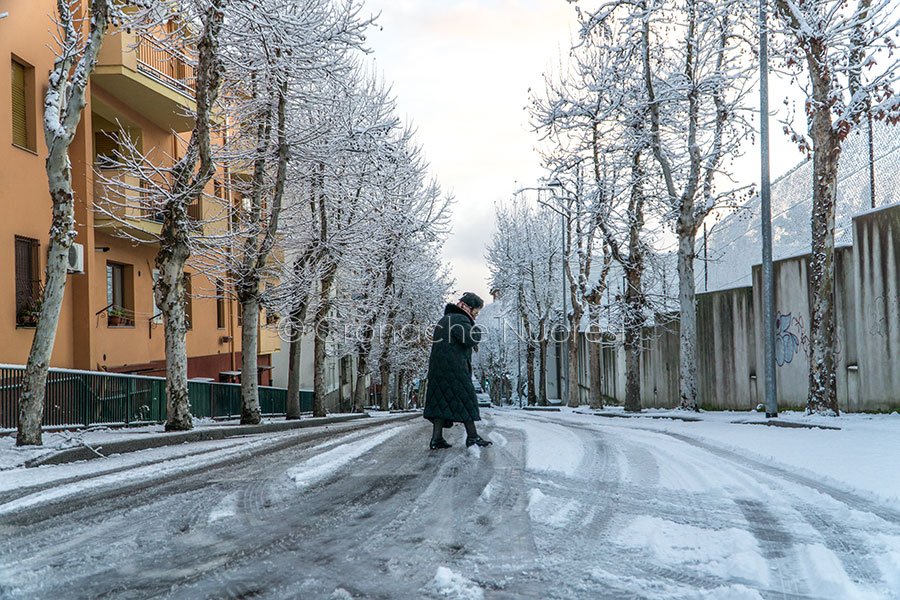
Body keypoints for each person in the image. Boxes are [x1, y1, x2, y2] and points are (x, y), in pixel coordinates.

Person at [423, 292, 493, 450]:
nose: (477, 314)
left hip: (438, 370)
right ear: (469, 307)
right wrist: (477, 331)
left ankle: (437, 439)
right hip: (454, 369)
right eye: (477, 310)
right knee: (467, 400)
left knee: (440, 403)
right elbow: (469, 339)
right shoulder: (460, 319)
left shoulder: (445, 319)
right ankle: (473, 437)